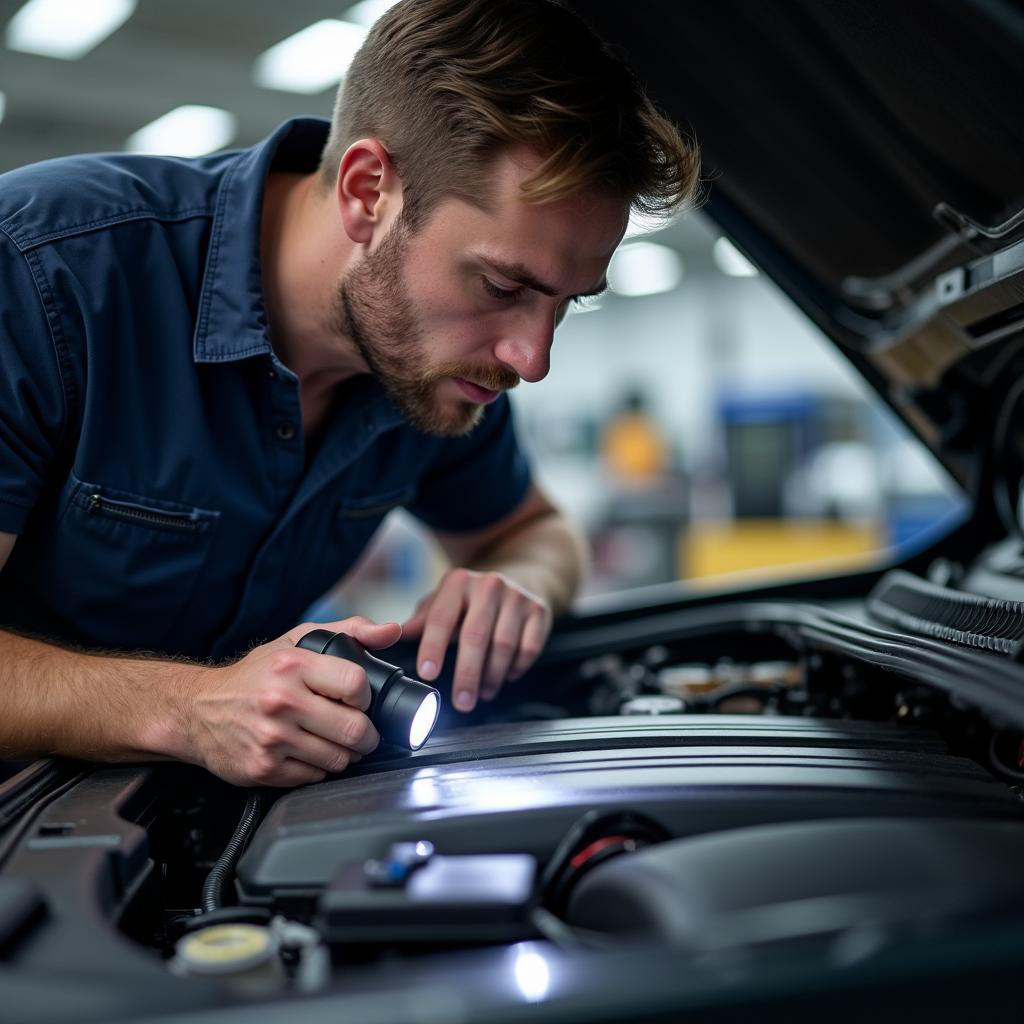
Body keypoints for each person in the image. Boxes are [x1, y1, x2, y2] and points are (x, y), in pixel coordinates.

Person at [0, 0, 699, 786]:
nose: (531, 359)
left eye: (568, 302)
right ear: (369, 192)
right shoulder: (41, 273)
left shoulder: (433, 369)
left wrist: (516, 582)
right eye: (503, 284)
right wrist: (188, 706)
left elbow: (537, 531)